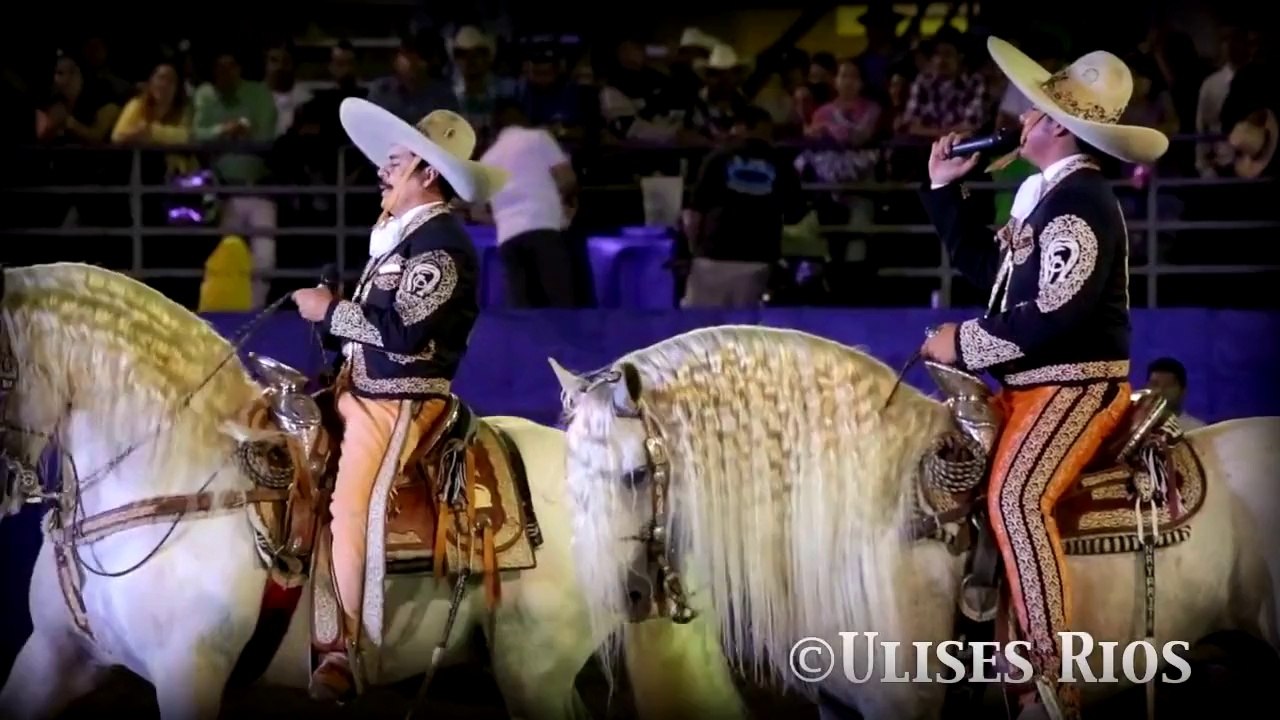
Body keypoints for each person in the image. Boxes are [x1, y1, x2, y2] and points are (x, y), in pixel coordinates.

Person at [918, 37, 1169, 720]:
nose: (1021, 119)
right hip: (1039, 383)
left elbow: (1054, 315)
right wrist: (946, 192)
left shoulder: (1081, 203)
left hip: (1076, 385)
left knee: (1014, 498)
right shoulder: (1049, 197)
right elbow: (995, 279)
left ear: (1055, 125)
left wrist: (963, 341)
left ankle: (1049, 679)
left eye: (1032, 110)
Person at [291, 98, 507, 701]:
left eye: (395, 160)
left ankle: (344, 650)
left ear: (427, 174)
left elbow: (407, 333)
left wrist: (330, 311)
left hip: (399, 402)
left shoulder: (441, 245)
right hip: (359, 389)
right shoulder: (402, 237)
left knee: (352, 506)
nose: (383, 170)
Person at [1145, 357, 1205, 430]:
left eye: (1168, 385)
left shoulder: (1197, 429)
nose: (1160, 391)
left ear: (1183, 391)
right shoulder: (1132, 427)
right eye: (1155, 384)